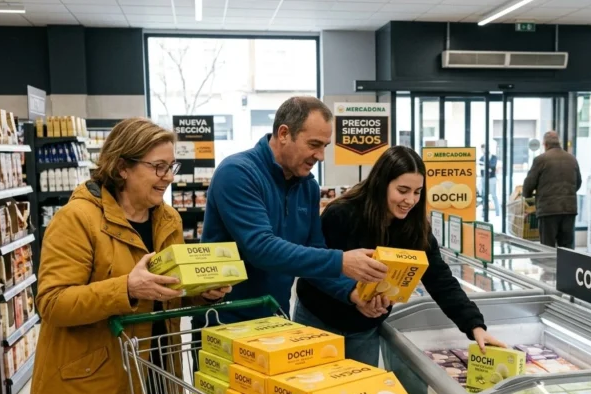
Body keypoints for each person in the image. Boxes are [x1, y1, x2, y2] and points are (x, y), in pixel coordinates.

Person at [28, 118, 231, 394]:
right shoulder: (78, 220)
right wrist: (125, 288)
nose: (168, 177)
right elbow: (52, 302)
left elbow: (163, 298)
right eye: (158, 167)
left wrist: (197, 294)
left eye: (172, 167)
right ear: (122, 167)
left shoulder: (166, 220)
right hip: (88, 389)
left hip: (147, 381)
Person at [294, 146, 505, 366]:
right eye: (402, 190)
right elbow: (314, 267)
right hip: (318, 320)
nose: (410, 200)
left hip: (363, 330)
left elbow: (440, 278)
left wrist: (474, 326)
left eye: (417, 192)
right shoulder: (342, 214)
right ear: (381, 184)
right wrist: (353, 294)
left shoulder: (416, 227)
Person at [202, 96, 387, 322]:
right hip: (225, 322)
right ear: (283, 134)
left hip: (275, 320)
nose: (320, 156)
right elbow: (260, 248)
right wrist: (342, 261)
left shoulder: (308, 186)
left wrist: (351, 291)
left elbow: (313, 251)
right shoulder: (237, 173)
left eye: (325, 146)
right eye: (314, 144)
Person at [522, 131, 582, 249]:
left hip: (548, 210)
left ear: (545, 144)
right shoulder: (572, 159)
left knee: (547, 247)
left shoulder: (541, 160)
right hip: (569, 209)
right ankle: (566, 267)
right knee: (567, 248)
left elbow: (529, 183)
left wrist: (527, 195)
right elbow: (578, 183)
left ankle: (549, 268)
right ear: (558, 142)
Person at [479, 143, 500, 213]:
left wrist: (487, 167)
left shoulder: (494, 157)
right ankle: (484, 212)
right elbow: (482, 170)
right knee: (484, 195)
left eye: (484, 149)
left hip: (492, 178)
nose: (483, 151)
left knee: (494, 195)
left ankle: (498, 212)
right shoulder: (481, 158)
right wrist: (488, 168)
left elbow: (493, 166)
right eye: (482, 149)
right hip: (484, 178)